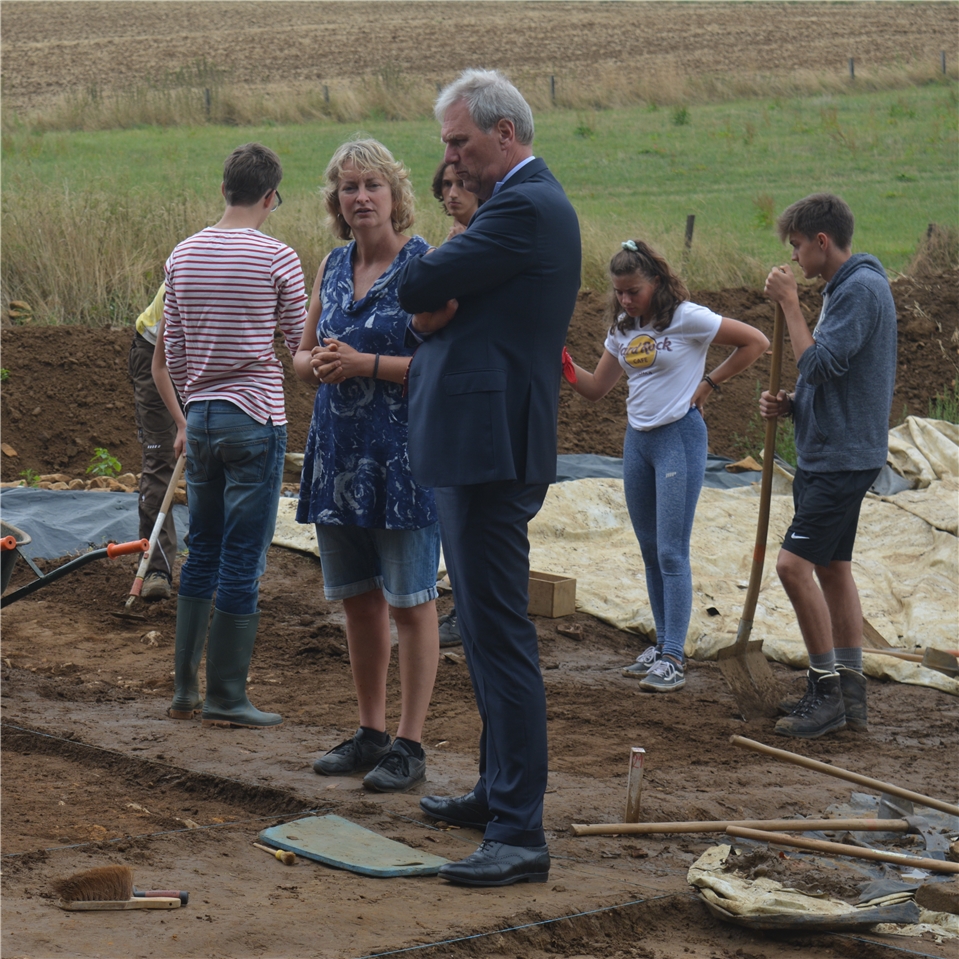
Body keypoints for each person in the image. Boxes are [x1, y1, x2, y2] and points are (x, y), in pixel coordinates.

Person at [397, 68, 581, 887]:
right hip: (479, 443)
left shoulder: (524, 205)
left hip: (489, 449)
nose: (450, 158)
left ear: (503, 135)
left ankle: (518, 829)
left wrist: (439, 291)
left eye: (458, 141)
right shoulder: (521, 206)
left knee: (500, 638)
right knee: (481, 628)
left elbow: (417, 283)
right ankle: (494, 790)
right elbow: (434, 296)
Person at [295, 139, 441, 793]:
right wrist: (318, 364)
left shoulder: (425, 266)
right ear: (335, 200)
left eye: (371, 186)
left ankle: (410, 743)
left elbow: (445, 367)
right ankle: (370, 731)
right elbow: (298, 354)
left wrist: (364, 365)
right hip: (336, 456)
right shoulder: (329, 264)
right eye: (348, 187)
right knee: (358, 600)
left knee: (411, 603)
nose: (359, 198)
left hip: (402, 459)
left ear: (394, 195)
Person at [566, 240, 769, 693]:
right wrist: (557, 361)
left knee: (672, 551)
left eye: (633, 291)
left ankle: (674, 657)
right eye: (619, 292)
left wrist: (711, 382)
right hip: (637, 443)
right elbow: (597, 387)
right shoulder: (623, 329)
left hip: (679, 437)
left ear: (655, 282)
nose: (625, 300)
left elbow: (756, 341)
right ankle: (662, 647)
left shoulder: (688, 318)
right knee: (650, 549)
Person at [154, 142, 306, 728]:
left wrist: (192, 412)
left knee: (203, 552)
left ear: (225, 189)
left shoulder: (183, 254)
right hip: (255, 417)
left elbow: (173, 351)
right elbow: (298, 345)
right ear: (270, 196)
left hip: (203, 419)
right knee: (243, 557)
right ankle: (227, 696)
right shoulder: (278, 257)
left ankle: (184, 691)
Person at [761, 193, 896, 739]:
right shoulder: (846, 289)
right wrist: (793, 405)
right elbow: (830, 376)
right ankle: (852, 694)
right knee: (833, 569)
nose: (793, 258)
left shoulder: (860, 291)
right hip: (834, 449)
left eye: (796, 246)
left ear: (822, 241)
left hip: (841, 458)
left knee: (793, 567)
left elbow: (820, 361)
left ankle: (826, 693)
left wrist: (791, 305)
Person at [429, 158, 483, 650]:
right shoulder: (450, 246)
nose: (452, 193)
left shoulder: (483, 247)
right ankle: (462, 609)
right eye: (445, 185)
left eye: (462, 183)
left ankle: (472, 613)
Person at [127, 283, 184, 601]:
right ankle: (155, 569)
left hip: (210, 356)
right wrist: (181, 423)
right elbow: (163, 364)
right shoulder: (191, 266)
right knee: (162, 456)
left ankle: (210, 566)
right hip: (156, 353)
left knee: (217, 453)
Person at [431, 160, 481, 242]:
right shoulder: (451, 237)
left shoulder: (491, 232)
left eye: (462, 184)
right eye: (447, 184)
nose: (452, 194)